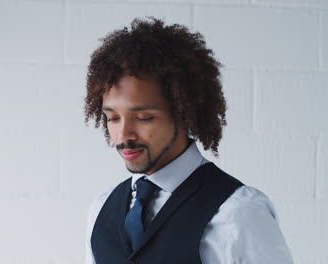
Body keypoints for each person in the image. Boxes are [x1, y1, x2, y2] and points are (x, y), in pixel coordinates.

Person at [83, 17, 293, 263]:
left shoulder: (238, 211)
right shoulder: (103, 206)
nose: (123, 135)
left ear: (185, 114)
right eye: (113, 118)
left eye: (143, 117)